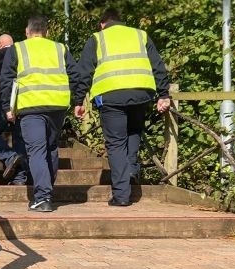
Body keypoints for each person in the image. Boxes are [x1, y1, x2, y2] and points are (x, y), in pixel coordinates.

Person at [73, 7, 171, 206]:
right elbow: (158, 66)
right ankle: (132, 170)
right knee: (134, 132)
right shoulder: (140, 35)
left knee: (116, 143)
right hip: (141, 94)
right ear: (120, 21)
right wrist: (164, 94)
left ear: (102, 24)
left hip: (111, 96)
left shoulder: (97, 38)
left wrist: (78, 100)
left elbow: (84, 71)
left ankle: (121, 195)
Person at [0, 16, 78, 212]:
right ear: (47, 32)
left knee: (36, 151)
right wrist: (78, 101)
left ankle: (42, 197)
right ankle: (47, 193)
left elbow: (6, 80)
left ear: (27, 31)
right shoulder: (60, 49)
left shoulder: (18, 48)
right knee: (50, 148)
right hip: (57, 107)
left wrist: (7, 108)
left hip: (31, 107)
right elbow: (75, 75)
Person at [0, 34, 27, 185]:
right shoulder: (22, 54)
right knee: (19, 137)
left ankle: (9, 157)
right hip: (23, 101)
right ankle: (20, 178)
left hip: (2, 100)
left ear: (0, 44)